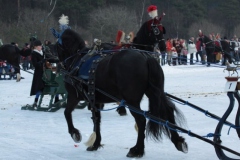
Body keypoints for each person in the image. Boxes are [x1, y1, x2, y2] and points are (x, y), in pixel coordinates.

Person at [30, 40, 59, 109]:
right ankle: (36, 101)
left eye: (41, 46)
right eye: (39, 46)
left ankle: (57, 99)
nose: (41, 47)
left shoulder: (43, 52)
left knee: (57, 82)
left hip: (46, 71)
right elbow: (35, 64)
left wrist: (57, 60)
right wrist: (42, 61)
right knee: (39, 87)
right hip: (39, 72)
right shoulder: (33, 54)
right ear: (36, 47)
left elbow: (49, 59)